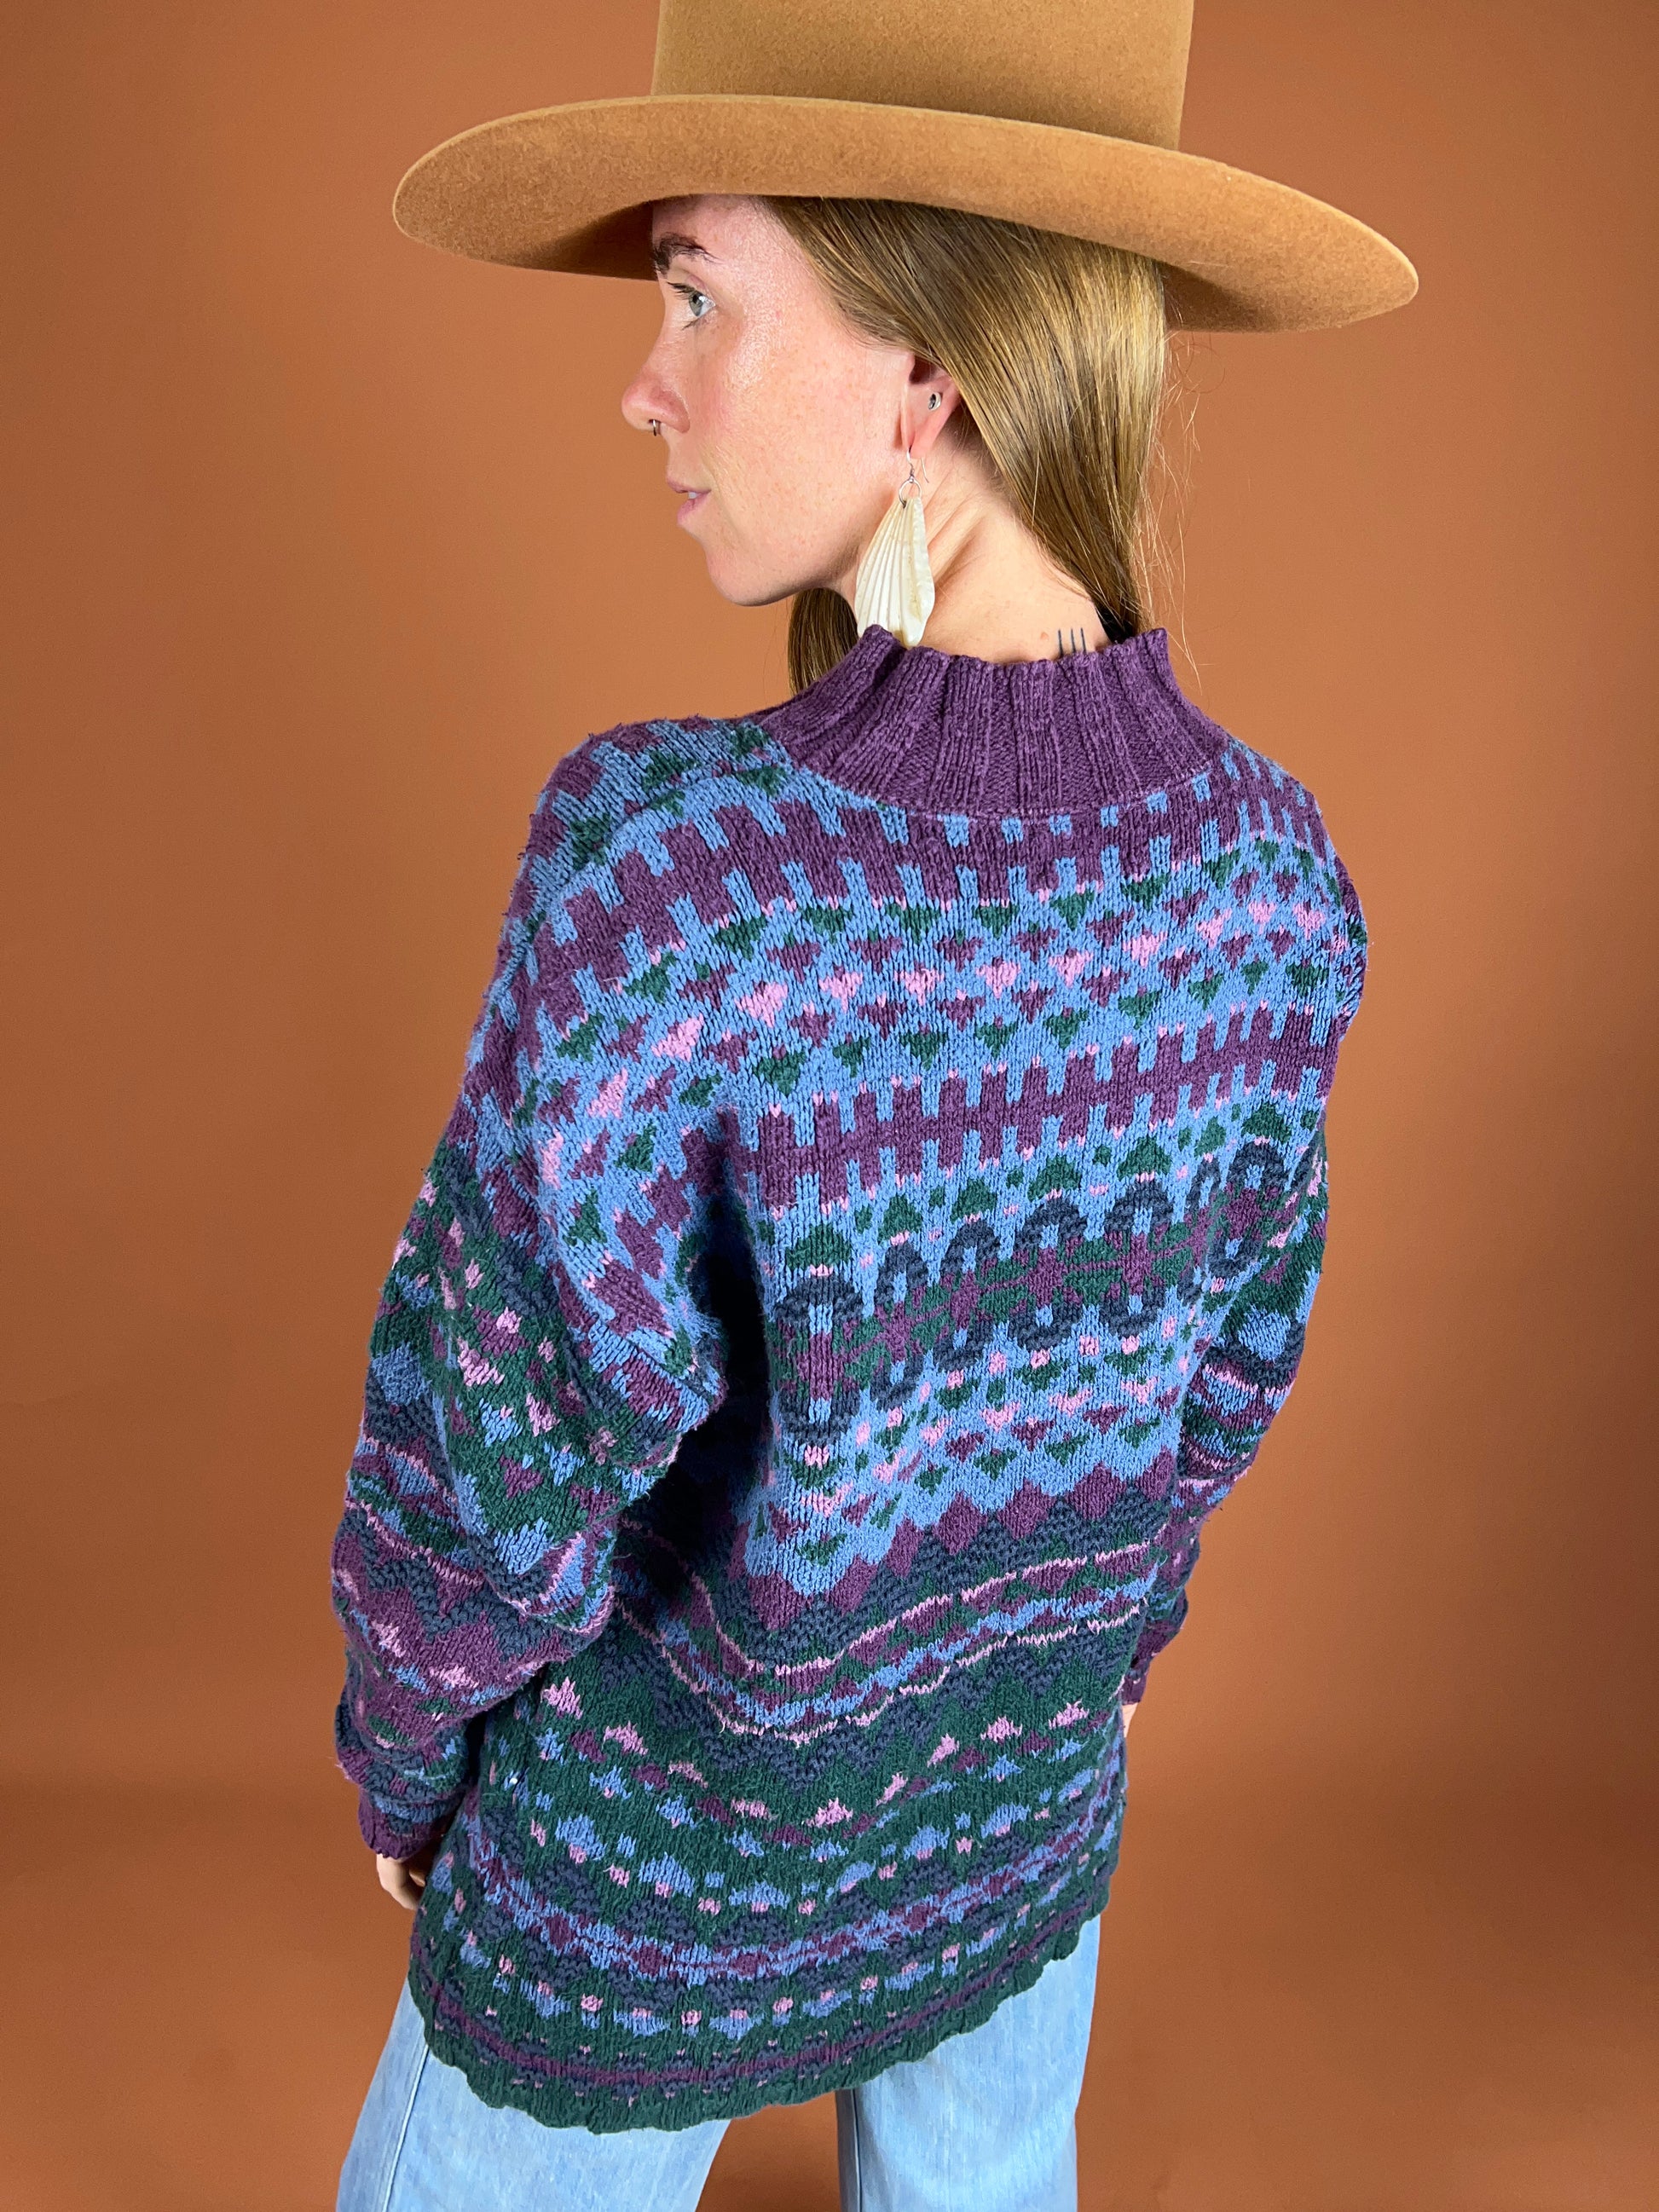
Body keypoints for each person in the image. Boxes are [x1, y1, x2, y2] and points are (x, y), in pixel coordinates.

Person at [330, 4, 1415, 2207]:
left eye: (696, 295)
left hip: (643, 1878)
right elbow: (1229, 1368)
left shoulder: (677, 873)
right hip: (1017, 1814)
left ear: (927, 372)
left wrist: (407, 1745)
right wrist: (1098, 1649)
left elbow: (497, 1434)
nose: (646, 382)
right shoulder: (1271, 878)